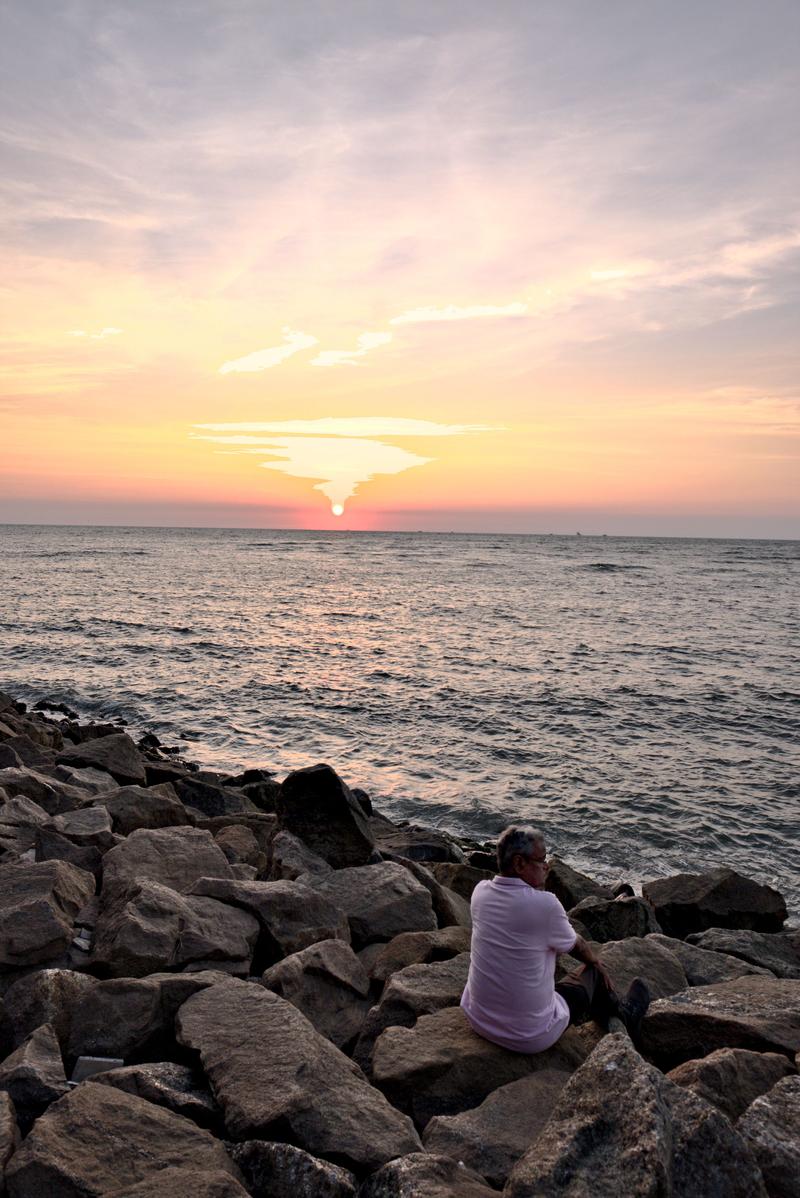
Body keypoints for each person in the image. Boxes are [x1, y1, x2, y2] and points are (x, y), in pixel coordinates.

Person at [461, 824, 650, 1054]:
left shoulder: (480, 891)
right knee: (592, 973)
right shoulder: (545, 904)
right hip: (529, 1035)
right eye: (541, 860)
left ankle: (606, 1013)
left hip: (478, 1019)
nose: (547, 866)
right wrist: (595, 962)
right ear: (520, 863)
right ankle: (625, 1015)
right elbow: (577, 945)